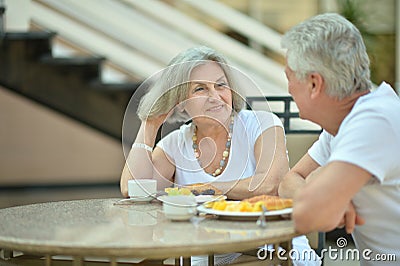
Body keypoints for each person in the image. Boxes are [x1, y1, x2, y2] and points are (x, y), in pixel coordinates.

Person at [121, 46, 320, 265]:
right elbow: (133, 189)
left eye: (220, 85)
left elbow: (270, 185)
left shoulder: (262, 124)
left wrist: (211, 190)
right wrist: (150, 124)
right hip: (204, 256)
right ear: (179, 101)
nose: (215, 96)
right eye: (200, 89)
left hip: (269, 251)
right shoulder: (176, 144)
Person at [278, 13, 400, 265]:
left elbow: (308, 215)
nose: (288, 86)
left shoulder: (375, 121)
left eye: (289, 75)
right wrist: (327, 196)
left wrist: (320, 186)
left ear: (314, 84)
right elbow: (288, 182)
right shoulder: (344, 123)